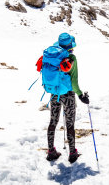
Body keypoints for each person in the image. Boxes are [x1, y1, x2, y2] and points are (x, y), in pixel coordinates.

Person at [36, 32, 89, 163]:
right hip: (68, 95)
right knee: (70, 124)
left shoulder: (54, 57)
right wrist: (81, 95)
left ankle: (51, 151)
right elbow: (74, 82)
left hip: (55, 93)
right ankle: (72, 153)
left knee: (53, 122)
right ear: (71, 46)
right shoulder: (72, 58)